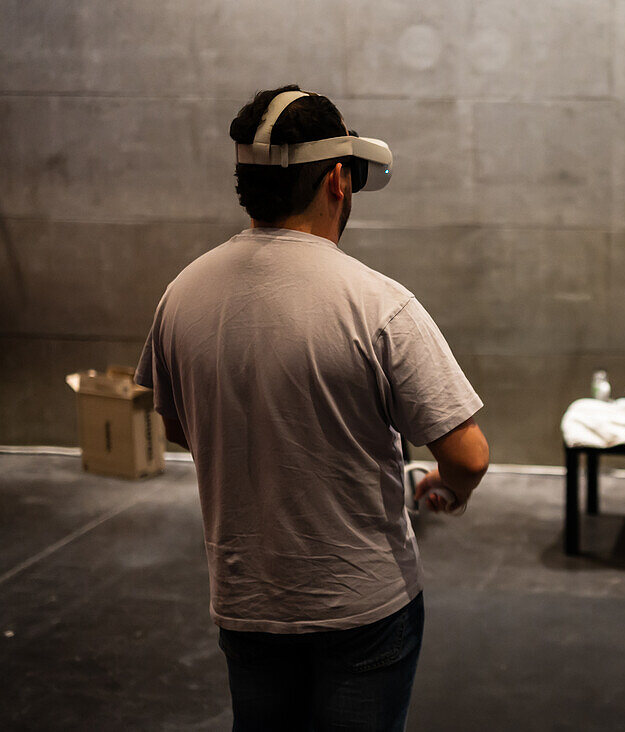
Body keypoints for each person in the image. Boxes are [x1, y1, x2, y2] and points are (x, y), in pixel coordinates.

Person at [135, 84, 489, 731]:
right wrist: (445, 486)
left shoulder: (180, 295)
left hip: (246, 602)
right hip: (363, 605)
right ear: (337, 181)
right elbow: (468, 455)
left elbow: (180, 427)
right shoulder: (378, 304)